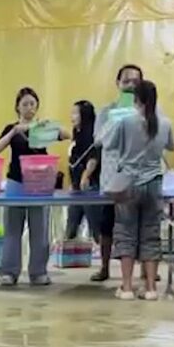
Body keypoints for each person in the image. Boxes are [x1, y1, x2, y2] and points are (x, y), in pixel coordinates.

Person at [106, 79, 174, 301]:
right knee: (151, 234)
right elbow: (171, 146)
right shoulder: (165, 123)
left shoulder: (125, 121)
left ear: (135, 98)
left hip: (128, 184)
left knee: (126, 234)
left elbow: (108, 144)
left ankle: (126, 287)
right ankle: (151, 289)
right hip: (154, 183)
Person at [0, 87, 67, 286]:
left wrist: (53, 127)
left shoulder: (42, 127)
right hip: (16, 182)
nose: (29, 108)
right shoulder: (12, 127)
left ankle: (38, 272)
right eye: (24, 104)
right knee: (12, 228)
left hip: (39, 183)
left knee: (39, 229)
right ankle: (9, 271)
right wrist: (13, 132)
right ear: (17, 107)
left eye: (32, 104)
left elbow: (66, 134)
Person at [87, 64, 144, 282]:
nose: (131, 85)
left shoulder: (149, 110)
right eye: (126, 81)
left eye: (135, 81)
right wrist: (118, 119)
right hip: (112, 178)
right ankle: (104, 267)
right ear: (118, 84)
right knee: (107, 225)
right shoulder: (106, 111)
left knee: (137, 226)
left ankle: (141, 272)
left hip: (139, 177)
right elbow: (99, 140)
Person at [64, 101, 111, 276]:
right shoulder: (76, 134)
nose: (72, 117)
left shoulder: (91, 135)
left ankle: (104, 265)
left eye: (75, 113)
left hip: (89, 186)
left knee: (96, 227)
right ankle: (67, 260)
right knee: (71, 225)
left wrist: (85, 175)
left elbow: (93, 158)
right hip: (76, 188)